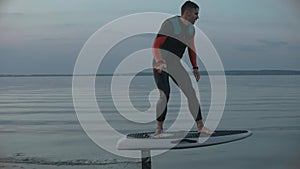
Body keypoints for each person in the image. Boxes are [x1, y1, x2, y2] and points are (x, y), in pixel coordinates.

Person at [152, 1, 213, 137]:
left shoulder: (191, 29)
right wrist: (159, 61)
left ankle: (200, 127)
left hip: (175, 64)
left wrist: (195, 67)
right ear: (187, 13)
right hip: (160, 62)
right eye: (196, 14)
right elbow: (156, 45)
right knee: (164, 94)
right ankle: (159, 129)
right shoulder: (170, 24)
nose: (198, 17)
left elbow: (191, 49)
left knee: (191, 93)